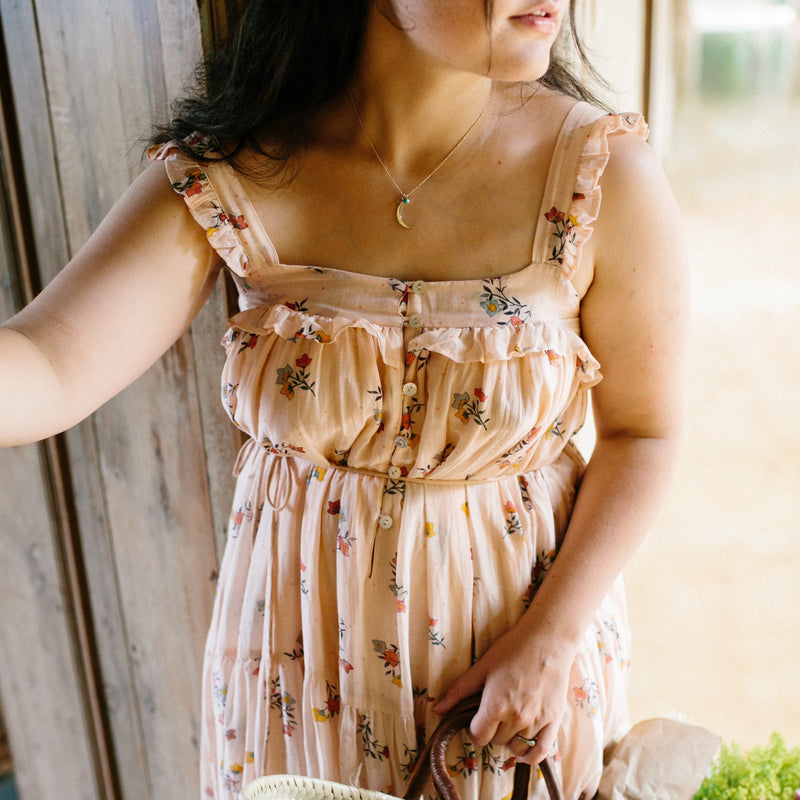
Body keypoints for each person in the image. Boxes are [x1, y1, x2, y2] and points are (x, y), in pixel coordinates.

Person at [0, 1, 689, 798]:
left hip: (512, 684)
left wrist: (552, 635)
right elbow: (48, 367)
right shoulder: (239, 171)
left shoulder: (600, 173)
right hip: (294, 688)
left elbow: (646, 433)